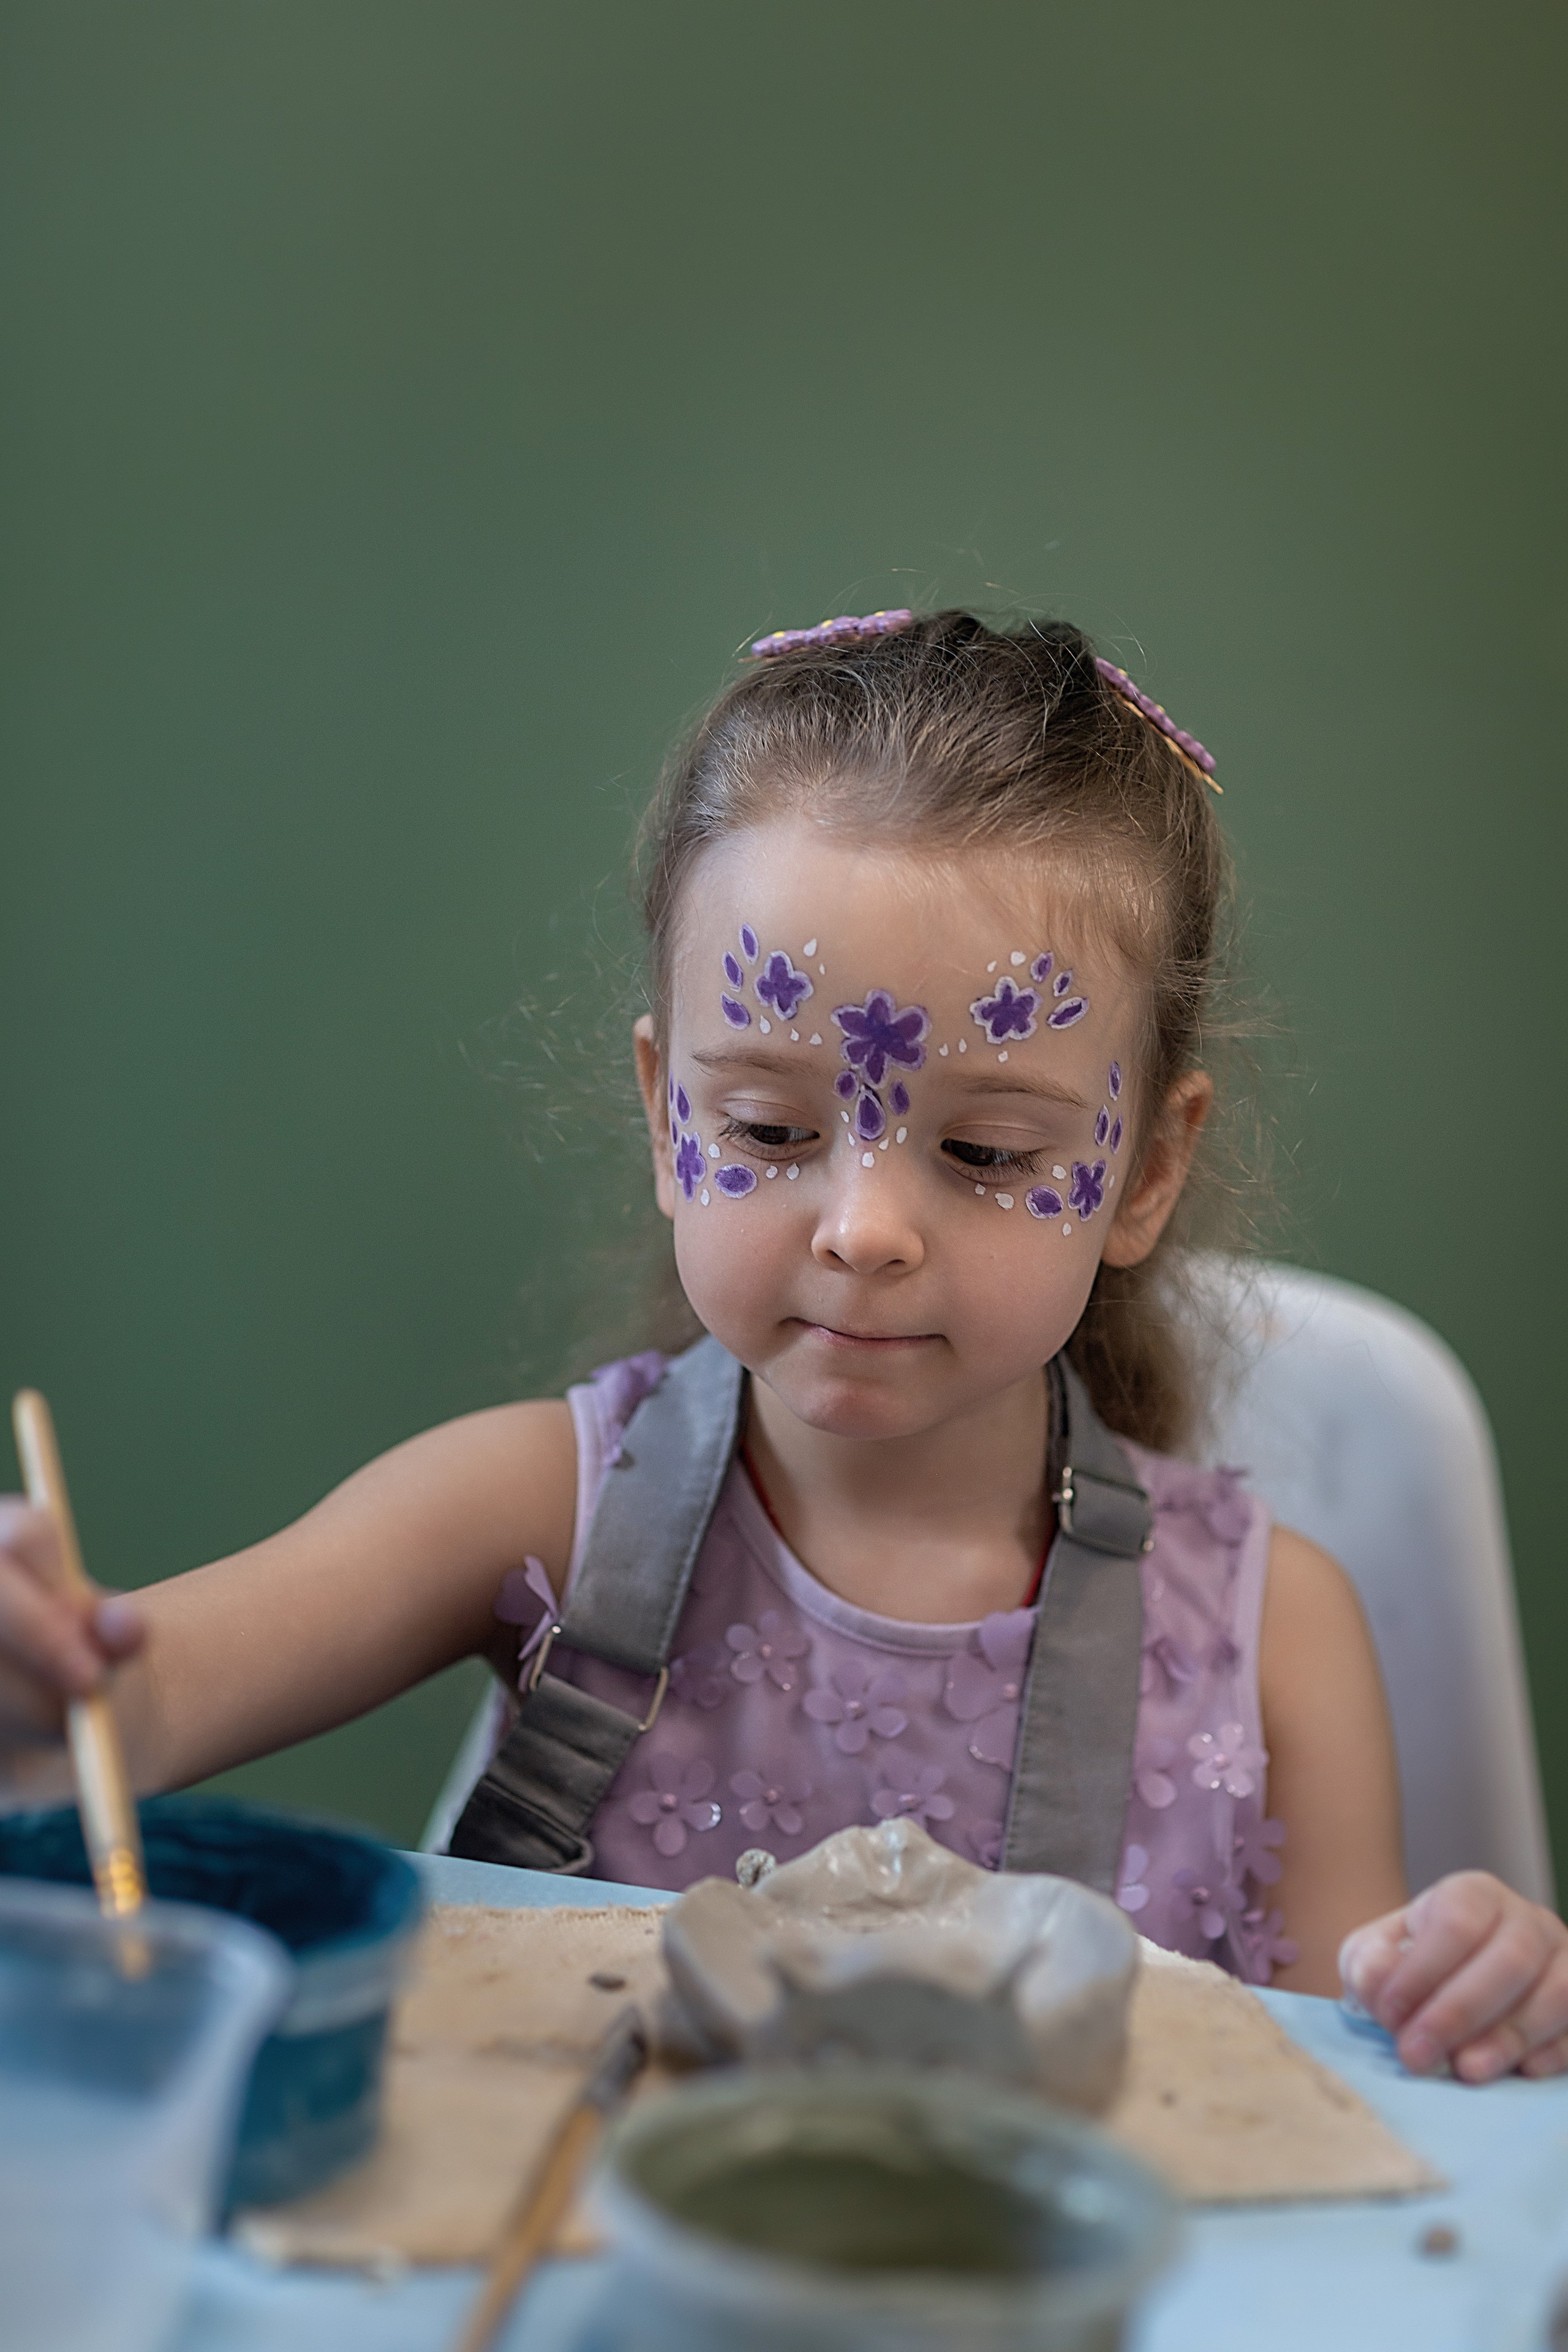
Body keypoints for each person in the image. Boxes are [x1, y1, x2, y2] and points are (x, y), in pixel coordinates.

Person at [1, 609, 1562, 2082]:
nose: (863, 1229)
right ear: (665, 1119)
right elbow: (126, 1716)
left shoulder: (1270, 1635)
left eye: (986, 1154)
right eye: (766, 1126)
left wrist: (1464, 1994)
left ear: (1145, 1169)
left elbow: (1347, 2100)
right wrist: (41, 1684)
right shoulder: (533, 1514)